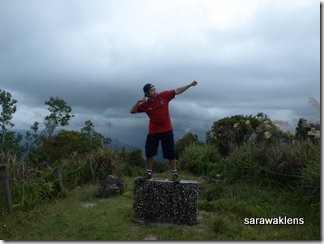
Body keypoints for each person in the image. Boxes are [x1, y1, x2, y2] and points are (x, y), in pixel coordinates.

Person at [130, 80, 198, 183]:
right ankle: (148, 173)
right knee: (149, 153)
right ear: (147, 94)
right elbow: (133, 111)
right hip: (153, 132)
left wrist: (190, 85)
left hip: (167, 130)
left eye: (154, 89)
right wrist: (138, 102)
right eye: (152, 90)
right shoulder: (145, 104)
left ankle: (175, 174)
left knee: (171, 153)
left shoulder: (163, 96)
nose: (155, 91)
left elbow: (177, 90)